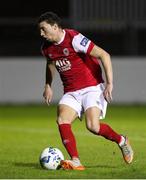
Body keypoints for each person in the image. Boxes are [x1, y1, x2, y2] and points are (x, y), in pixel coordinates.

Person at [37, 12, 134, 170]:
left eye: (43, 29)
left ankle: (122, 140)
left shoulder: (74, 38)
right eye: (40, 30)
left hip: (92, 87)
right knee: (62, 120)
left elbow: (104, 55)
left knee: (93, 126)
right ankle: (76, 160)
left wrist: (109, 83)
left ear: (55, 27)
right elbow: (50, 64)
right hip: (71, 91)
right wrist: (48, 85)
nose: (41, 33)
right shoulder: (46, 48)